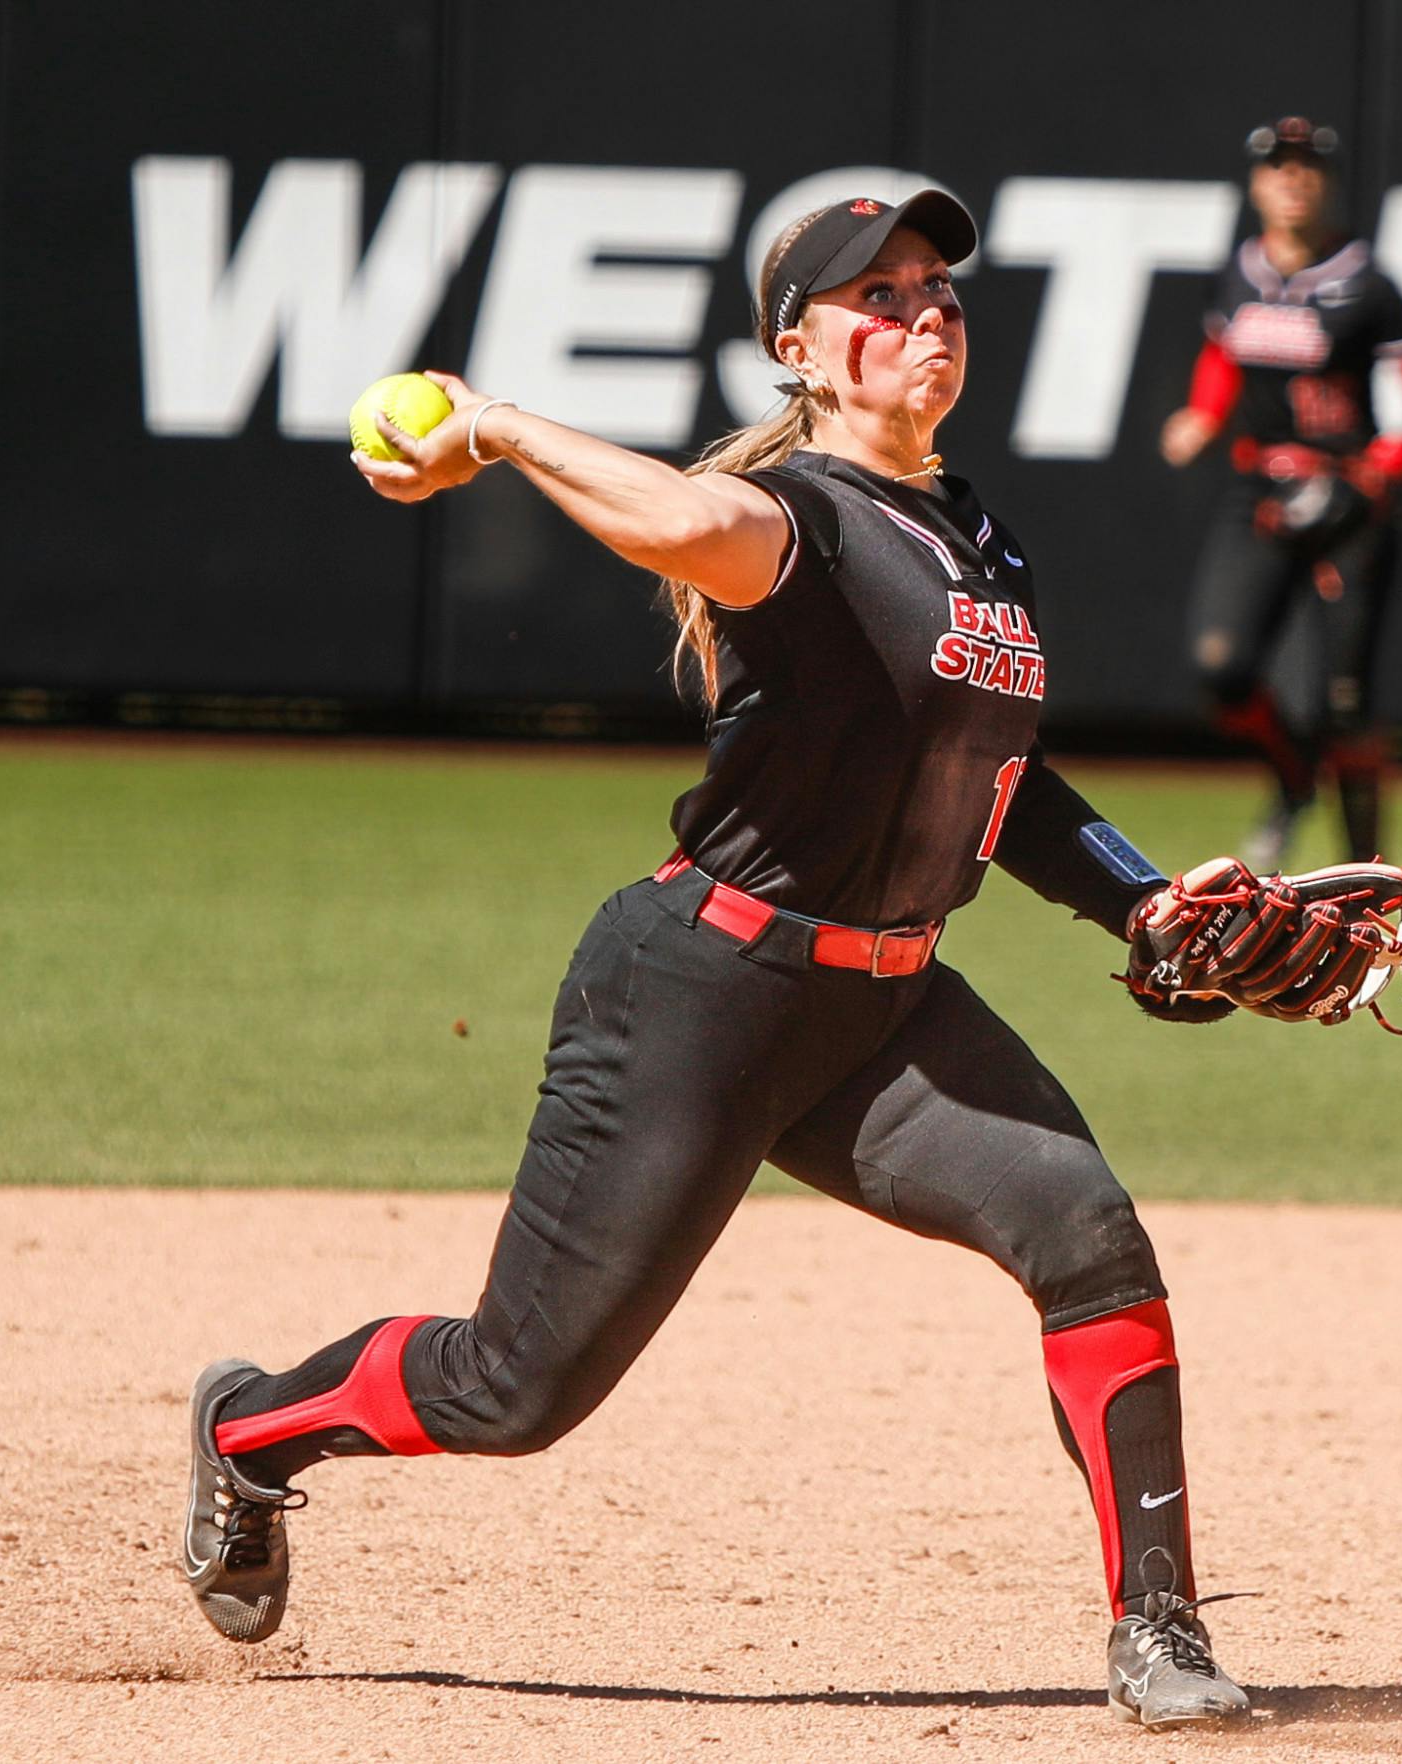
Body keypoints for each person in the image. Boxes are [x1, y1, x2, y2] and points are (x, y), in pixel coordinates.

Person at [178, 190, 1258, 1730]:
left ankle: (1161, 1633)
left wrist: (1142, 903)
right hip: (697, 999)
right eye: (876, 296)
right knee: (513, 1391)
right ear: (798, 349)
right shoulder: (802, 522)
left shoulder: (981, 541)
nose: (923, 314)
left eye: (938, 289)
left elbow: (998, 783)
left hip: (882, 1011)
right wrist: (488, 425)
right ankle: (248, 1432)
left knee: (1088, 1239)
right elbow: (693, 525)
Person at [1161, 117, 1402, 869]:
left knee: (1345, 702)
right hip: (1261, 489)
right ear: (1256, 184)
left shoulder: (1368, 283)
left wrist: (1384, 465)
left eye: (1306, 168)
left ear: (1327, 181)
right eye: (1277, 167)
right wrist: (1203, 413)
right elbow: (1222, 354)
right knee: (1221, 664)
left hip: (1348, 502)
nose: (1292, 180)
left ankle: (1368, 873)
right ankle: (1293, 780)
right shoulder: (1241, 270)